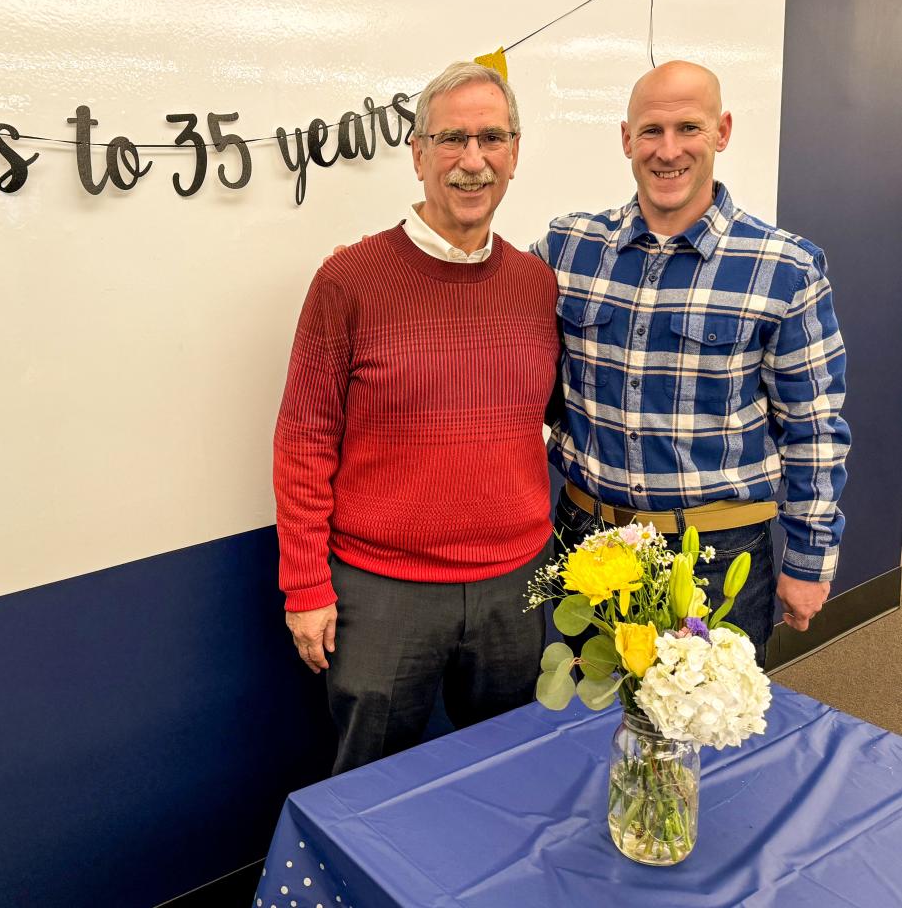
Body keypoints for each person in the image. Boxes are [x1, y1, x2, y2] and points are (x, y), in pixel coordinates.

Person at [273, 61, 559, 774]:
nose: (472, 160)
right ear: (417, 154)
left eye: (491, 138)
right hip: (381, 593)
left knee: (511, 774)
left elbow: (552, 411)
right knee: (368, 787)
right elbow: (303, 440)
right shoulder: (349, 281)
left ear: (514, 153)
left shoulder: (535, 283)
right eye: (451, 139)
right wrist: (305, 586)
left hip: (517, 586)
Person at [533, 60, 850, 667]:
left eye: (689, 128)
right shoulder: (567, 250)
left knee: (702, 736)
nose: (668, 150)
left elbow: (815, 430)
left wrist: (810, 562)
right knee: (588, 730)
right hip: (588, 543)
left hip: (715, 551)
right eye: (651, 130)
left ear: (722, 131)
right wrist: (397, 272)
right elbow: (480, 301)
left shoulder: (783, 268)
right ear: (626, 138)